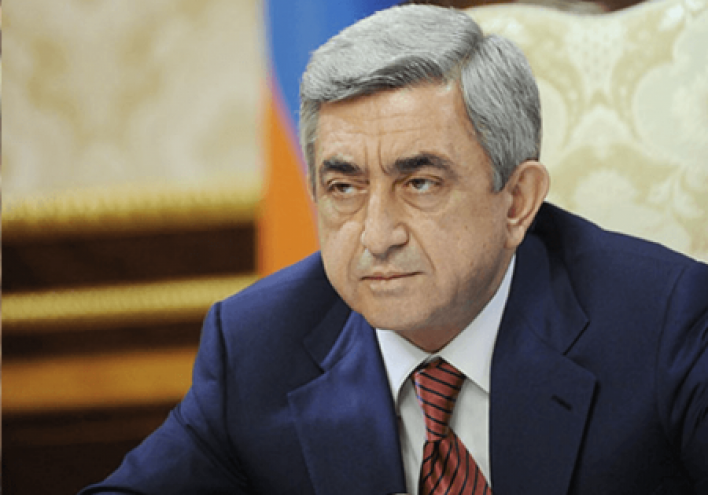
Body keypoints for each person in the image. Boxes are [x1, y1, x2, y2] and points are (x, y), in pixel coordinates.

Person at [81, 5, 708, 494]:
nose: (377, 235)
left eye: (420, 183)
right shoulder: (256, 346)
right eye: (344, 187)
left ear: (517, 201)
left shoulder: (662, 323)